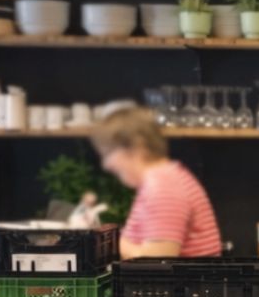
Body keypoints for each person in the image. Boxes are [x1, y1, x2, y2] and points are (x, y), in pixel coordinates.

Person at [91, 106, 221, 259]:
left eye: (107, 153)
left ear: (136, 146)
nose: (105, 164)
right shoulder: (164, 179)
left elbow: (158, 261)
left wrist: (111, 243)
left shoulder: (163, 188)